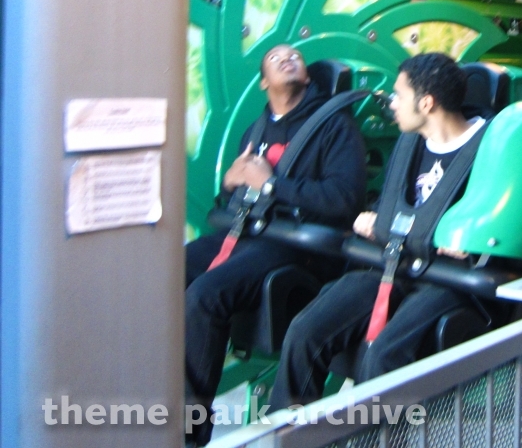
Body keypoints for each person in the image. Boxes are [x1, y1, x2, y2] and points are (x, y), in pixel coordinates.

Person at [268, 52, 488, 409]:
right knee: (305, 330)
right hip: (396, 264)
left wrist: (464, 243)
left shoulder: (488, 147)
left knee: (382, 355)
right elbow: (397, 207)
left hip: (450, 280)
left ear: (427, 103)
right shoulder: (410, 142)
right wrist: (373, 219)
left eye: (400, 96)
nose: (392, 103)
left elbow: (490, 229)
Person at [185, 44, 366, 445]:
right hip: (246, 233)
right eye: (276, 56)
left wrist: (271, 184)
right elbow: (231, 201)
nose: (288, 56)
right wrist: (232, 182)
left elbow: (342, 200)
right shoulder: (256, 130)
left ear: (306, 76)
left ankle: (189, 434)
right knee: (166, 275)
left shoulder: (334, 127)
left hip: (293, 246)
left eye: (295, 56)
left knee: (204, 295)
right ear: (265, 81)